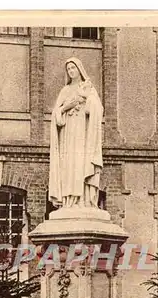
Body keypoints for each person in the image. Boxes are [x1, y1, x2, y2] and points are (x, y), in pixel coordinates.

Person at [49, 57, 103, 209]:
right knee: (69, 166)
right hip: (67, 134)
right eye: (68, 69)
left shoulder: (88, 88)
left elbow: (98, 110)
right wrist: (67, 107)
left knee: (81, 163)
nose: (71, 71)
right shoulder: (65, 90)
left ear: (80, 69)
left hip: (84, 135)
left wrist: (86, 97)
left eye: (73, 68)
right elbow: (56, 114)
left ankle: (85, 200)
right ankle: (69, 201)